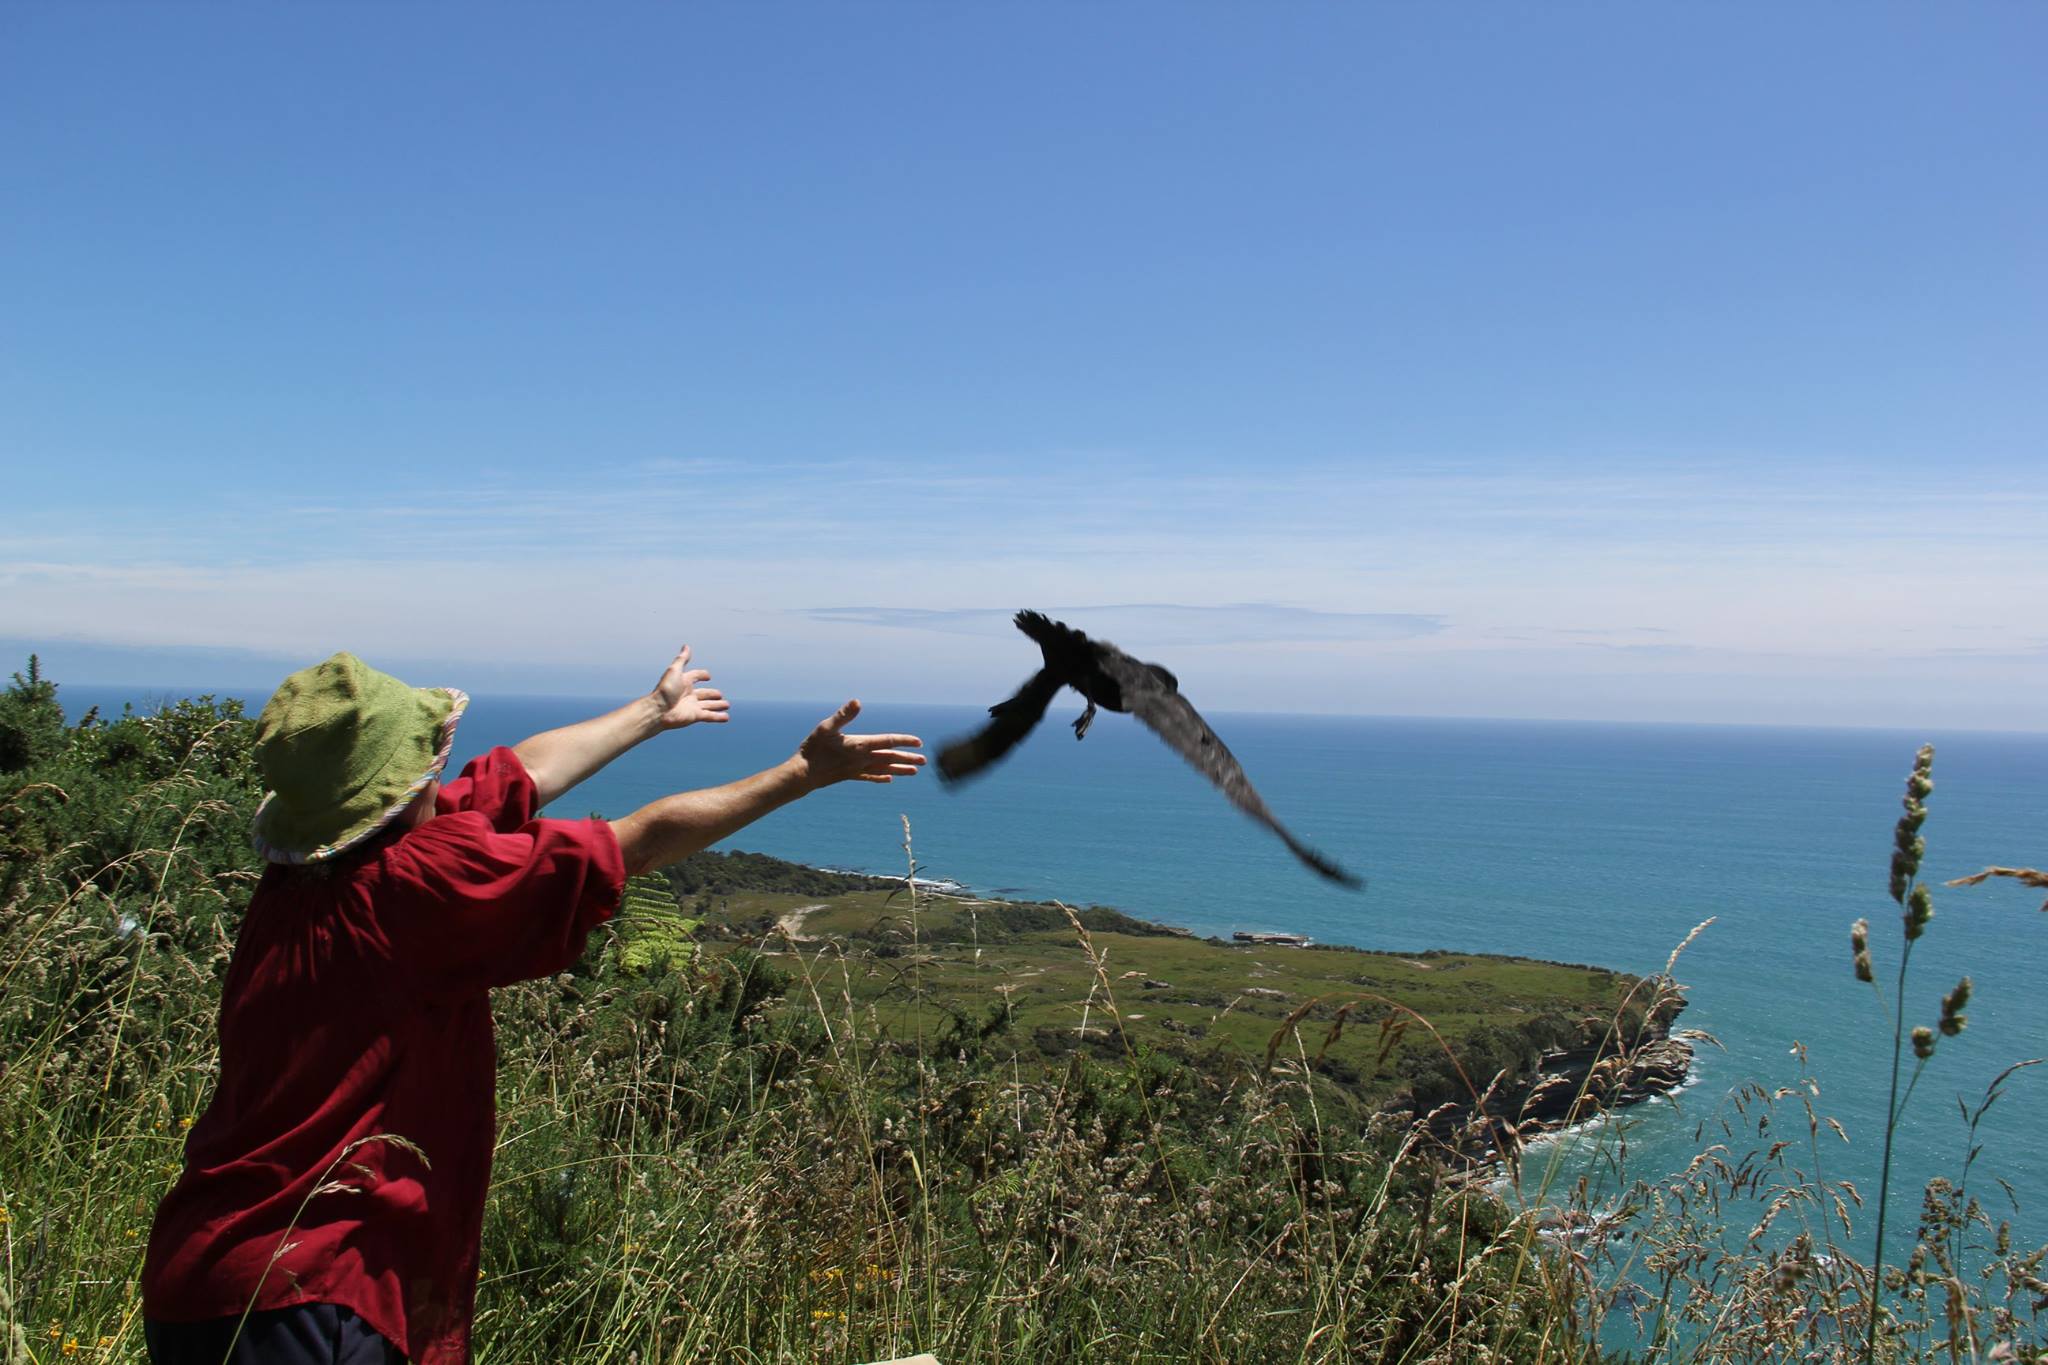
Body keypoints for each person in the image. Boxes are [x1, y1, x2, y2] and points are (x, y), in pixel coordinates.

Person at [140, 647, 924, 1364]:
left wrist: (654, 709)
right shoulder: (416, 885)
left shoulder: (300, 881)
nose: (442, 766)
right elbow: (638, 842)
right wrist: (801, 773)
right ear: (401, 788)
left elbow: (515, 773)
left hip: (199, 1271)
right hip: (311, 1292)